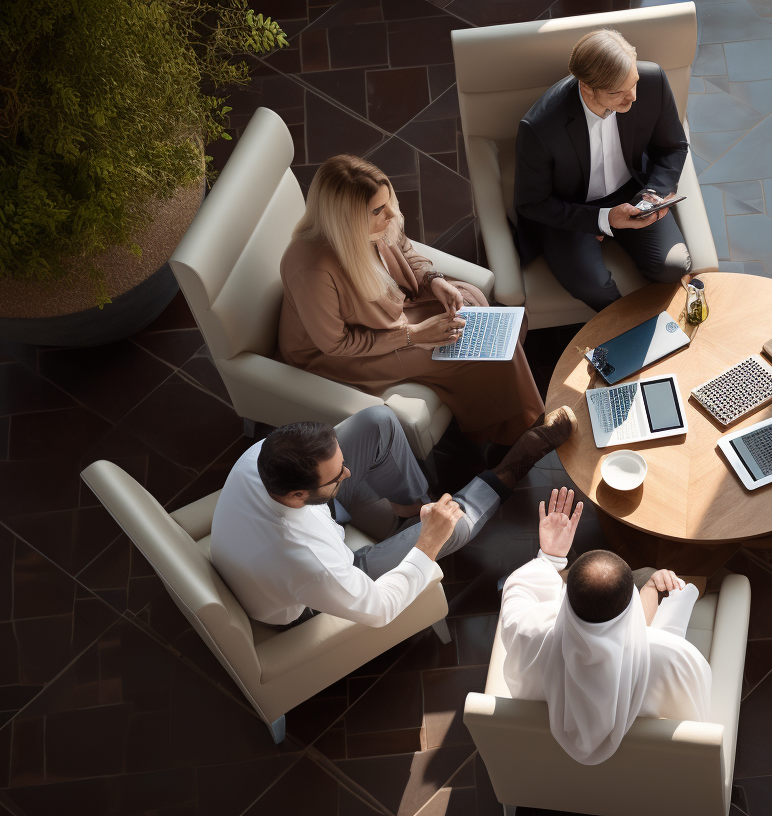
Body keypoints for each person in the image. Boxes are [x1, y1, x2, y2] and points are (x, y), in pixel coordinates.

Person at [210, 405, 575, 628]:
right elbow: (380, 608)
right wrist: (429, 541)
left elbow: (334, 476)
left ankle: (416, 513)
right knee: (452, 529)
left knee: (377, 422)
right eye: (339, 475)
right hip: (322, 586)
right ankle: (516, 463)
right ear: (298, 494)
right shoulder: (310, 564)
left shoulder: (264, 456)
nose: (350, 474)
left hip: (316, 525)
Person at [278, 154, 543, 445]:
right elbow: (335, 344)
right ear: (346, 219)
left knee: (473, 301)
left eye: (388, 201)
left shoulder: (375, 224)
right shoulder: (312, 270)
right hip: (341, 355)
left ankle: (511, 416)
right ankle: (525, 430)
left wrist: (434, 279)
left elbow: (405, 249)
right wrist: (413, 335)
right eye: (379, 209)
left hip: (388, 313)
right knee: (475, 350)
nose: (391, 215)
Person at [498, 488, 711, 765]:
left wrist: (550, 556)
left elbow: (518, 590)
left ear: (564, 602)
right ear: (632, 610)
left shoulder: (525, 630)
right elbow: (698, 725)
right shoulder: (675, 659)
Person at [513, 28, 693, 312]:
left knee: (673, 266)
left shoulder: (652, 81)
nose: (632, 98)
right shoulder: (539, 128)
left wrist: (652, 196)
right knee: (594, 286)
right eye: (617, 93)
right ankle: (627, 329)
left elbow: (673, 145)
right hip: (574, 209)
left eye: (633, 83)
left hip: (635, 191)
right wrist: (602, 219)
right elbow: (531, 203)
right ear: (586, 87)